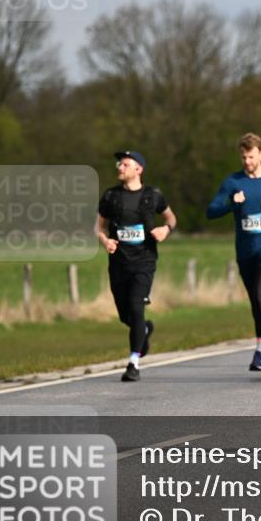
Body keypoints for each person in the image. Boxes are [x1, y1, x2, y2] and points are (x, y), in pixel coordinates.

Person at [96, 151, 176, 382]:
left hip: (144, 261)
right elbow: (99, 225)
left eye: (125, 164)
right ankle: (144, 330)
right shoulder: (111, 196)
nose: (120, 167)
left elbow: (171, 219)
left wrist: (165, 230)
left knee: (136, 307)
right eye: (119, 163)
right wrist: (105, 240)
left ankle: (133, 363)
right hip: (118, 263)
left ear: (138, 169)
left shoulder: (153, 195)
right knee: (126, 315)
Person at [206, 133, 261, 375]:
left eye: (251, 156)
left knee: (260, 295)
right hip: (245, 252)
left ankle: (260, 350)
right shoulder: (233, 182)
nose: (247, 161)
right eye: (243, 157)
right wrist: (232, 202)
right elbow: (211, 211)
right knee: (255, 301)